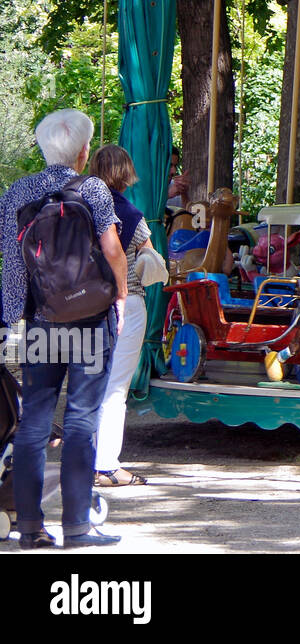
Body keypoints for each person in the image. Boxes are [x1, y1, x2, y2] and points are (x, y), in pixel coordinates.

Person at [0, 109, 126, 548]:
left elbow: (13, 266)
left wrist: (13, 315)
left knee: (34, 423)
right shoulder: (92, 189)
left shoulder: (17, 192)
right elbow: (112, 250)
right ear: (83, 151)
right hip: (91, 322)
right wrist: (121, 299)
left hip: (41, 323)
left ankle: (30, 528)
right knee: (81, 420)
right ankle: (77, 527)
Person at [89, 145, 151, 489]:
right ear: (126, 173)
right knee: (116, 387)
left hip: (81, 305)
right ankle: (106, 464)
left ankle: (85, 458)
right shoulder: (131, 215)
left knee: (89, 382)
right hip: (125, 303)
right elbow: (153, 259)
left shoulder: (79, 208)